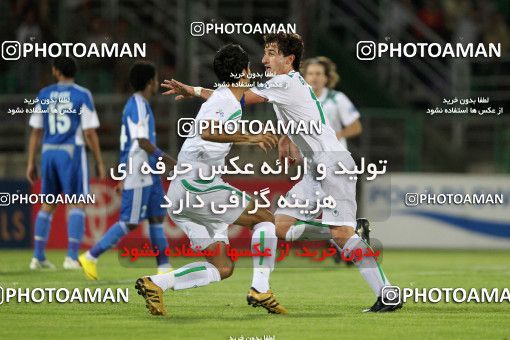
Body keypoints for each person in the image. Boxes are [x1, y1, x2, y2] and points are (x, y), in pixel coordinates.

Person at [162, 33, 402, 313]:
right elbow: (239, 98)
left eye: (272, 53)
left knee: (341, 235)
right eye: (264, 52)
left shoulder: (284, 82)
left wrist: (193, 90)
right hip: (314, 166)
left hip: (333, 162)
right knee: (280, 226)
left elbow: (234, 97)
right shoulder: (285, 84)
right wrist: (288, 137)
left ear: (288, 59)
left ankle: (388, 293)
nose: (264, 59)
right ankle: (349, 232)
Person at [135, 44, 287, 316]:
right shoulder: (224, 101)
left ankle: (155, 283)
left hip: (183, 193)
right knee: (264, 218)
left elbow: (212, 97)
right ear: (244, 72)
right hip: (199, 186)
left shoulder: (223, 96)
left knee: (222, 267)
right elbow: (207, 130)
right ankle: (261, 288)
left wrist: (191, 90)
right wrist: (249, 137)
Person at [78, 62, 174, 280]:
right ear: (150, 82)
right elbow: (140, 141)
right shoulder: (139, 104)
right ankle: (91, 256)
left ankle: (164, 267)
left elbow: (129, 142)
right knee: (130, 221)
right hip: (140, 170)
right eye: (156, 79)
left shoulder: (137, 104)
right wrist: (166, 158)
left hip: (148, 171)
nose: (157, 83)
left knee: (157, 217)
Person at [27, 57, 105, 270]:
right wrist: (99, 160)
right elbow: (89, 131)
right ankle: (71, 257)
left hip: (48, 152)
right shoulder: (81, 94)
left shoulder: (44, 94)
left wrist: (31, 162)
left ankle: (38, 257)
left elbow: (36, 130)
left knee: (48, 203)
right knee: (77, 202)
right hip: (71, 152)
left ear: (56, 71)